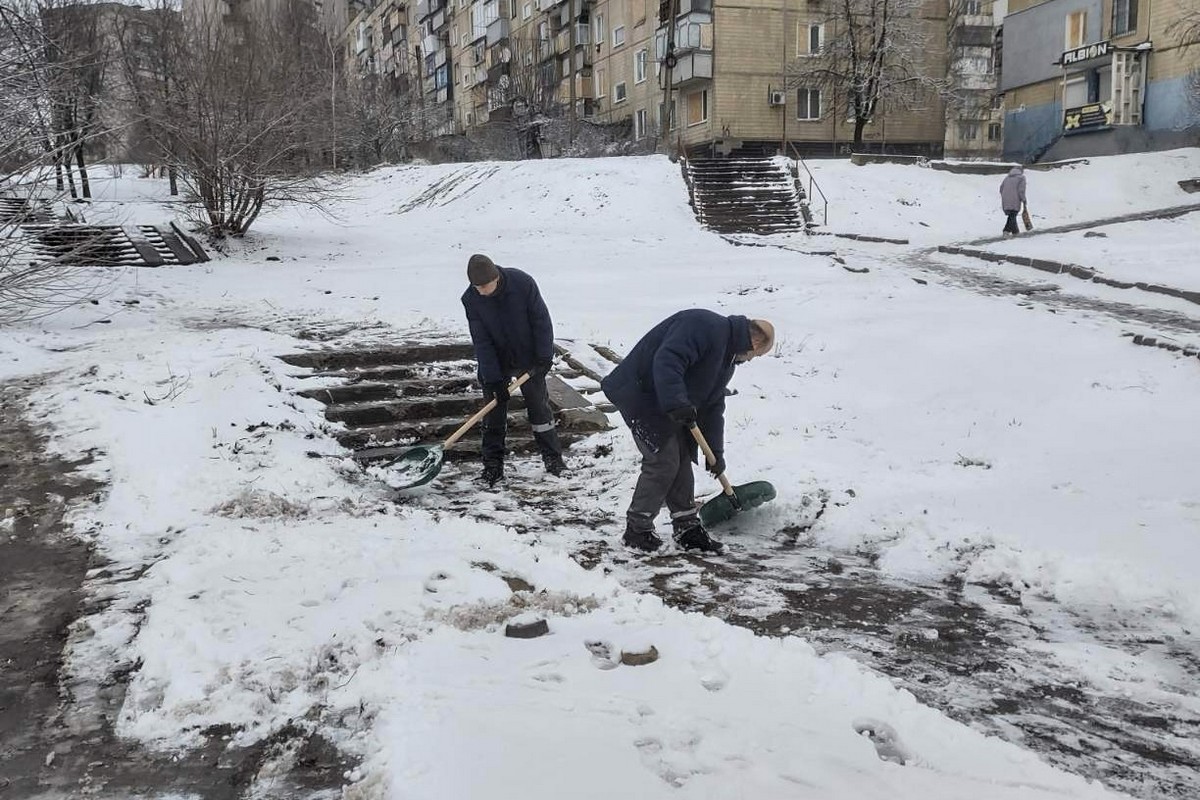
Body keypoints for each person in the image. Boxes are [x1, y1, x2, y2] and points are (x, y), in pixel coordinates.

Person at [601, 310, 775, 554]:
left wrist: (715, 453)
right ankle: (637, 531)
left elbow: (713, 407)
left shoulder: (725, 359)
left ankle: (687, 528)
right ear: (754, 342)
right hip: (639, 393)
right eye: (755, 355)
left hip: (665, 400)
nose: (749, 360)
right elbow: (668, 360)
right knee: (663, 460)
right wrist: (677, 402)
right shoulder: (705, 326)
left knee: (681, 456)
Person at [461, 254, 565, 485]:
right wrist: (494, 379)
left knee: (539, 408)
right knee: (493, 412)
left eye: (485, 286)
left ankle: (553, 459)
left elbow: (541, 320)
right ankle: (493, 467)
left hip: (528, 356)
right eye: (477, 287)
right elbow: (482, 341)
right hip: (495, 359)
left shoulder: (522, 283)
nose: (482, 292)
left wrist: (544, 356)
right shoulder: (471, 299)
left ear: (496, 278)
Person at [1000, 165, 1027, 237]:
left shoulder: (1007, 178)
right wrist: (1023, 199)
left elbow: (1001, 188)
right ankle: (1006, 230)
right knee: (1013, 214)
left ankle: (1015, 231)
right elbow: (1021, 190)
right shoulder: (1021, 178)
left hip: (1005, 198)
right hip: (1015, 199)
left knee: (1012, 215)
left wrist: (1005, 195)